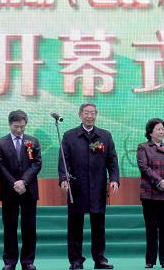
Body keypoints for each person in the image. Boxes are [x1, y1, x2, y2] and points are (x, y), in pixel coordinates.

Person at [59, 103, 119, 270]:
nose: (89, 116)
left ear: (96, 115)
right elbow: (63, 160)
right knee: (75, 226)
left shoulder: (105, 136)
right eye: (86, 113)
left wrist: (114, 179)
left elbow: (112, 160)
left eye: (92, 113)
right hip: (76, 187)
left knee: (98, 226)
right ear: (80, 115)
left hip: (98, 187)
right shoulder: (69, 136)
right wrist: (63, 178)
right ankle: (76, 261)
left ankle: (100, 259)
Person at [0, 110, 42, 270]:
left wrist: (24, 181)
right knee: (10, 227)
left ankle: (27, 261)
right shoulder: (0, 143)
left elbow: (37, 163)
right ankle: (10, 261)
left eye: (22, 126)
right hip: (9, 191)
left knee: (29, 227)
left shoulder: (33, 141)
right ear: (10, 124)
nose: (19, 130)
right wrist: (15, 183)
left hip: (29, 191)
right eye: (16, 126)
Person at [137, 118, 164, 269]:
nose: (162, 132)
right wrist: (159, 181)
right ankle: (150, 260)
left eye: (163, 129)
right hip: (150, 193)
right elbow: (144, 167)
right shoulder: (143, 147)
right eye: (158, 129)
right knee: (151, 227)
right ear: (150, 132)